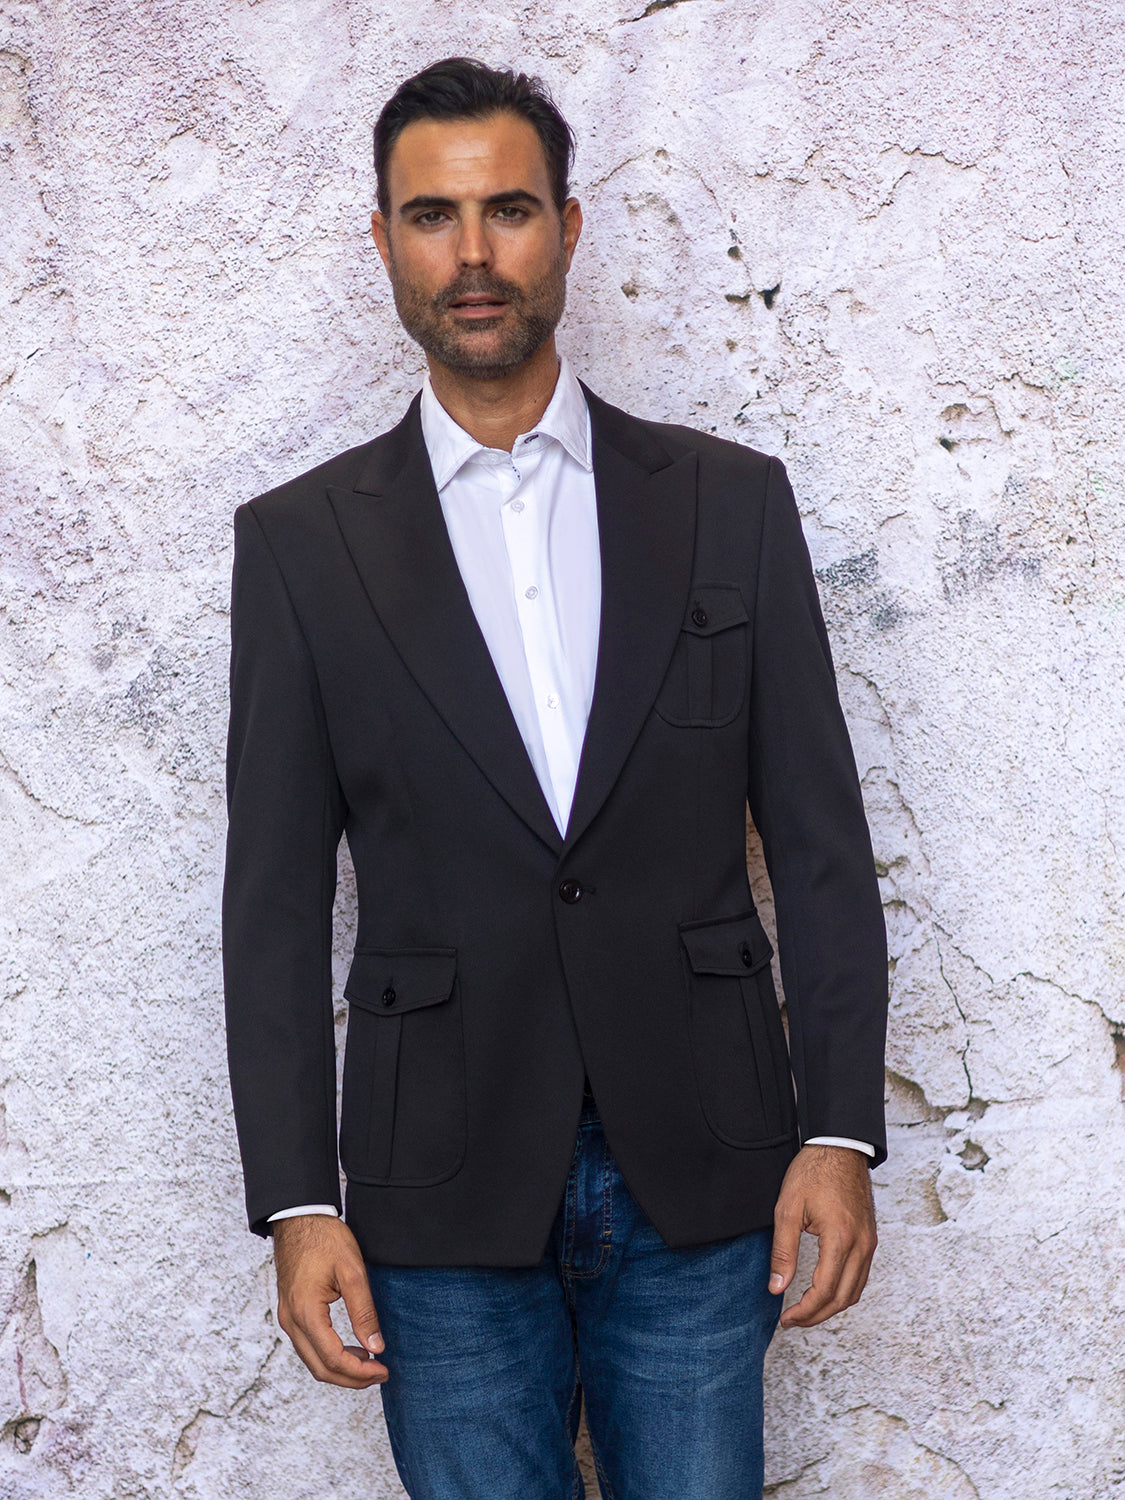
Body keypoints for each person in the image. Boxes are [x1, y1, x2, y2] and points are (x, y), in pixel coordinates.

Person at [222, 57, 887, 1500]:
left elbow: (822, 845)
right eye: (431, 216)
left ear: (568, 230)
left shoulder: (728, 504)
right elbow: (270, 901)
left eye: (508, 209)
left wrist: (836, 1131)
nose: (472, 253)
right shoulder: (298, 545)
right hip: (434, 1176)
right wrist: (292, 1199)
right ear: (384, 240)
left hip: (707, 1167)